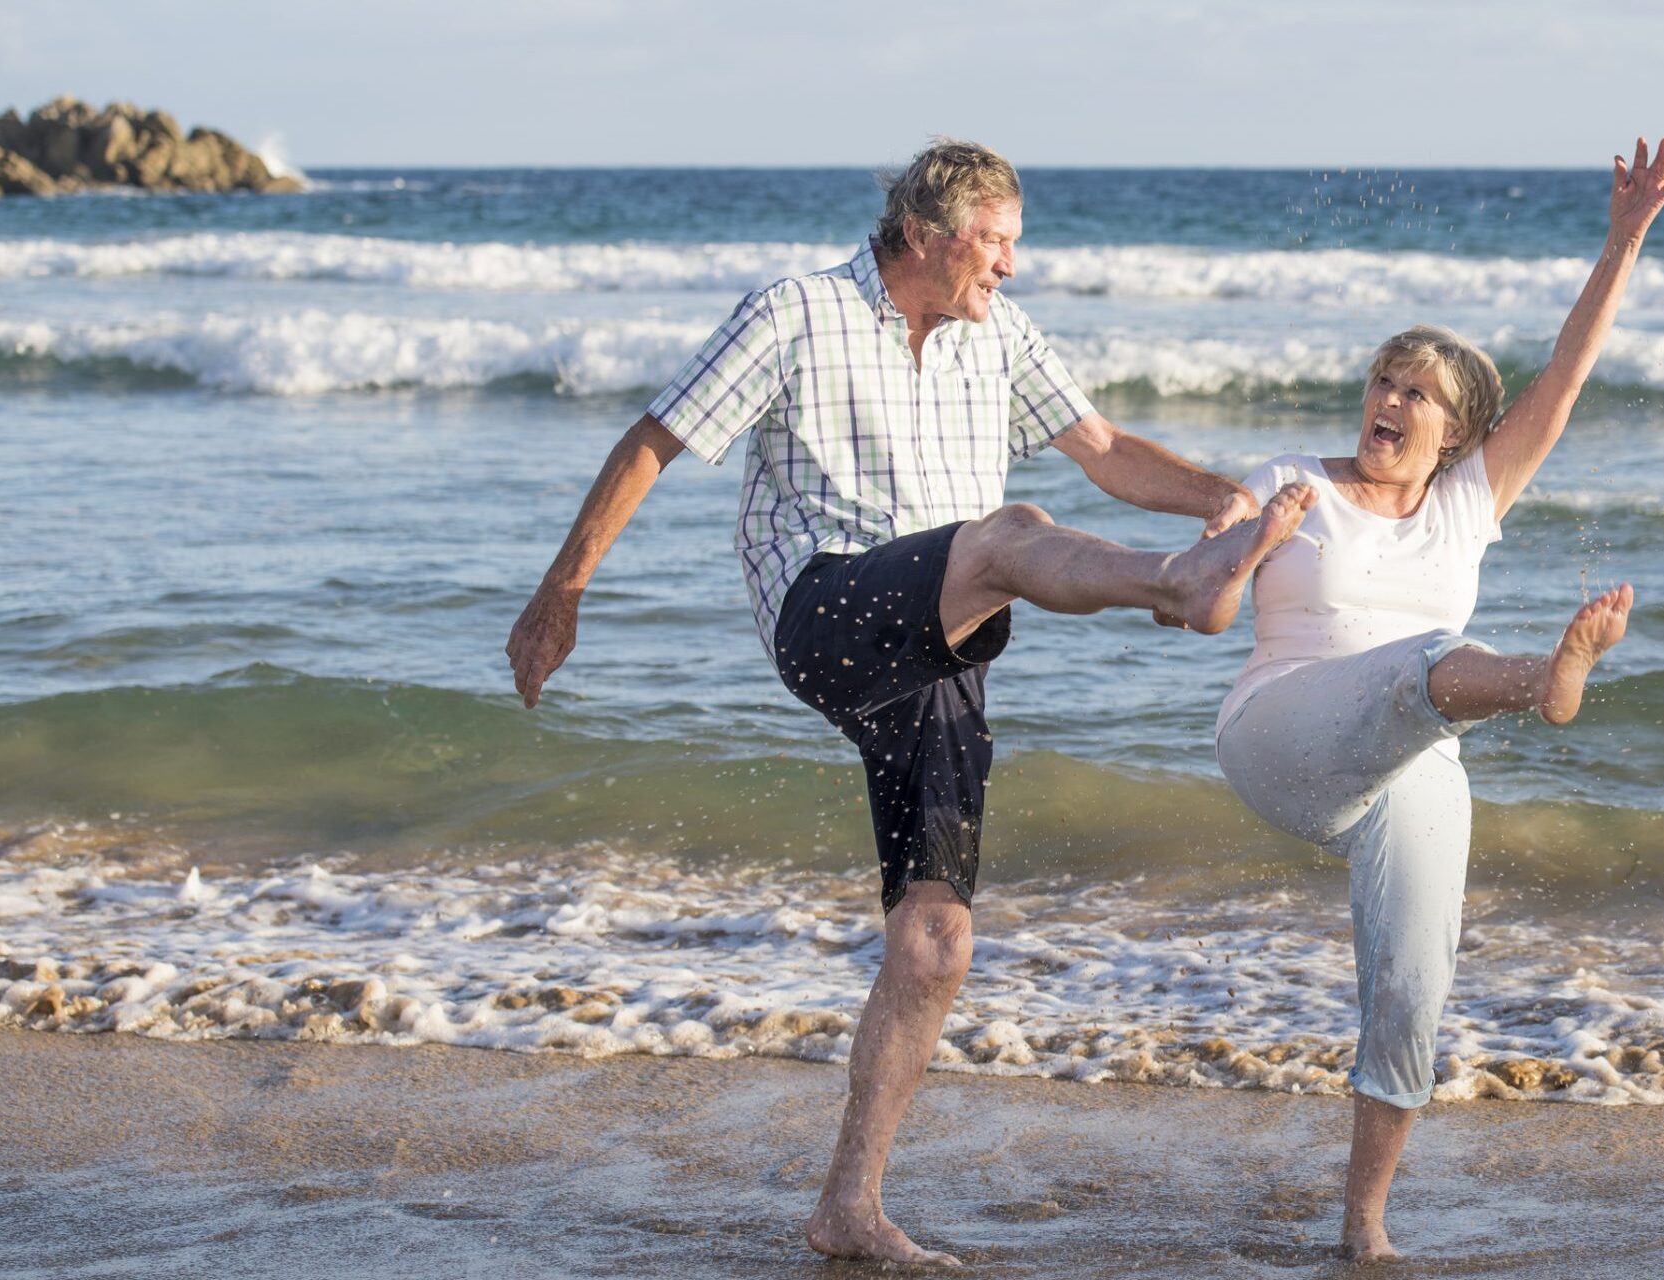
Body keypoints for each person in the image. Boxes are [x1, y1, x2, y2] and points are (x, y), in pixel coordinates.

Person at [505, 138, 1311, 1266]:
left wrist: (1220, 495)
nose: (1010, 268)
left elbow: (1108, 448)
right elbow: (655, 438)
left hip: (948, 642)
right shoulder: (795, 312)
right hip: (827, 601)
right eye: (996, 243)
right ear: (928, 236)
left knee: (936, 942)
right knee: (1007, 535)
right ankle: (1175, 589)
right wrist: (562, 591)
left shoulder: (1000, 336)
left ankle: (848, 1204)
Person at [1212, 136, 1664, 1260]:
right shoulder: (1290, 483)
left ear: (1458, 435)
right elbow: (1206, 593)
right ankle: (1537, 683)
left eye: (1418, 392)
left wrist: (1623, 238)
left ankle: (1364, 1225)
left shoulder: (1468, 505)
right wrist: (1229, 559)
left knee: (1416, 981)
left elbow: (1561, 381)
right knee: (1425, 656)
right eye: (1384, 378)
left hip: (1416, 749)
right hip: (1282, 726)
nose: (1390, 397)